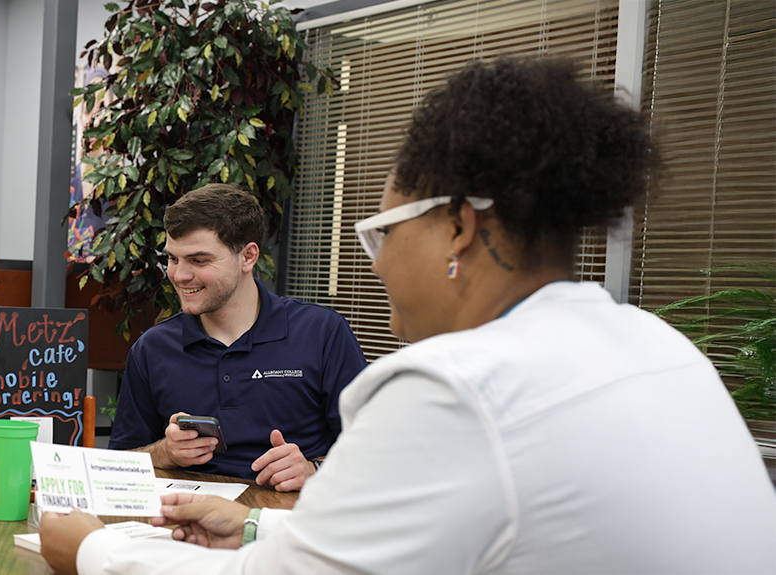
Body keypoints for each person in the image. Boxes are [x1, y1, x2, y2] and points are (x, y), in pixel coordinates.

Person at [41, 56, 776, 574]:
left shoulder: (457, 386)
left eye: (383, 232)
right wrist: (259, 522)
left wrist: (94, 549)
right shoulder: (658, 346)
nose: (376, 262)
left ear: (458, 227)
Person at [108, 184, 367, 491]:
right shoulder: (152, 348)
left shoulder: (321, 332)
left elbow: (376, 450)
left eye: (199, 260)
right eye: (174, 259)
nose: (179, 275)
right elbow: (118, 465)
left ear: (248, 257)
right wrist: (165, 452)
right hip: (183, 521)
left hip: (289, 520)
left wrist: (316, 470)